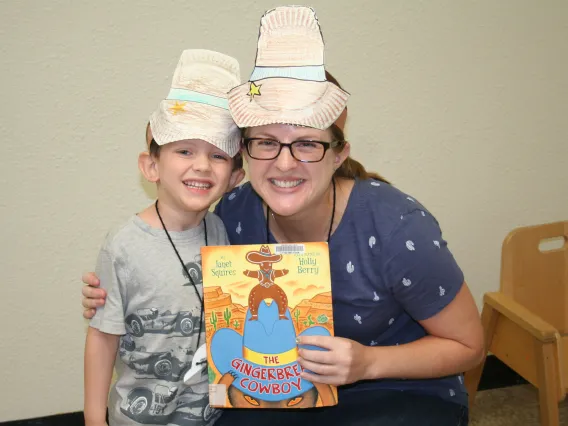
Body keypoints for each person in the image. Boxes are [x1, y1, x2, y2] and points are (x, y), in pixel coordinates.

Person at [82, 6, 483, 425]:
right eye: (267, 142)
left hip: (398, 388)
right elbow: (186, 274)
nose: (285, 163)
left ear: (338, 155)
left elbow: (469, 346)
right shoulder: (234, 218)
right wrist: (113, 291)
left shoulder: (396, 227)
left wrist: (368, 363)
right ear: (245, 158)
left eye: (307, 144)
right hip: (282, 384)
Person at [83, 49, 245, 426]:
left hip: (210, 416)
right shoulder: (123, 245)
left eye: (218, 156)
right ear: (151, 166)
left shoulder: (220, 230)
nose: (202, 165)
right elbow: (102, 337)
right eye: (184, 150)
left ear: (235, 176)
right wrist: (94, 418)